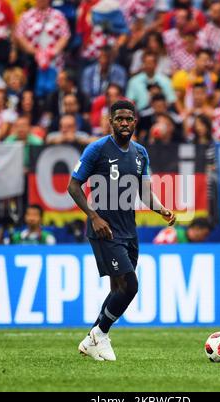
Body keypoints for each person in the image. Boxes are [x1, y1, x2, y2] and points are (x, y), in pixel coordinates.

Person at [67, 100, 176, 361]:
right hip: (105, 229)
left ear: (135, 122)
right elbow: (73, 186)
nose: (124, 123)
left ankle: (92, 337)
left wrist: (161, 209)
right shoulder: (97, 149)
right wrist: (93, 217)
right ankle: (101, 334)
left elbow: (145, 192)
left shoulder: (140, 153)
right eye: (119, 119)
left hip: (129, 230)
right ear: (111, 122)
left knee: (119, 288)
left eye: (128, 119)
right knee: (130, 286)